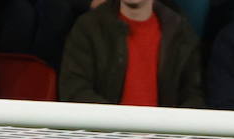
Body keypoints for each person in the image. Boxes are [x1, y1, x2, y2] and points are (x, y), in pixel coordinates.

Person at [58, 0, 205, 109]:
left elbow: (193, 96)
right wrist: (118, 126)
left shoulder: (181, 33)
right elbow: (74, 90)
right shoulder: (88, 28)